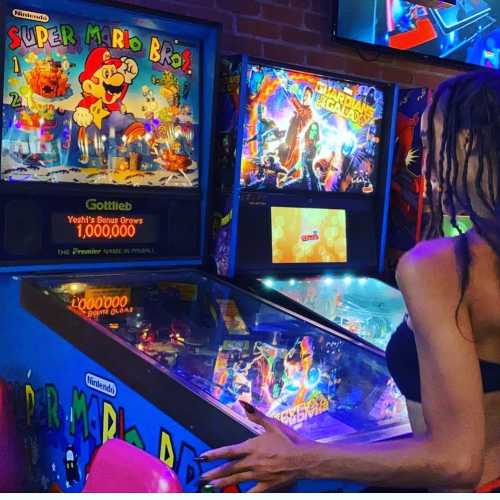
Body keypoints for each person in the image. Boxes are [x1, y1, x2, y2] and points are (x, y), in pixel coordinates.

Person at [197, 70, 500, 492]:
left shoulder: (443, 267)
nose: (425, 163)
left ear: (467, 143)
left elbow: (455, 460)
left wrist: (303, 460)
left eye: (432, 141)